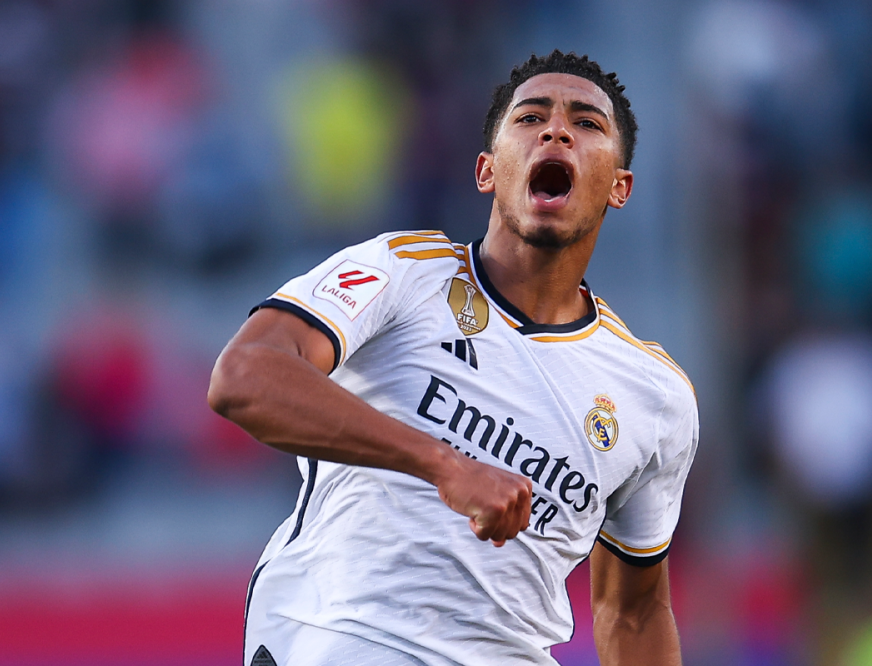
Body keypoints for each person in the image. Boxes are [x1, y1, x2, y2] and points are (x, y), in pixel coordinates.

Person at [209, 49, 699, 666]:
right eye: (530, 118)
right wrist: (446, 467)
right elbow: (243, 376)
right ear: (487, 171)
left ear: (619, 187)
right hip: (346, 639)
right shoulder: (402, 272)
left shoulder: (654, 395)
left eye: (586, 123)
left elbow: (633, 612)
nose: (556, 131)